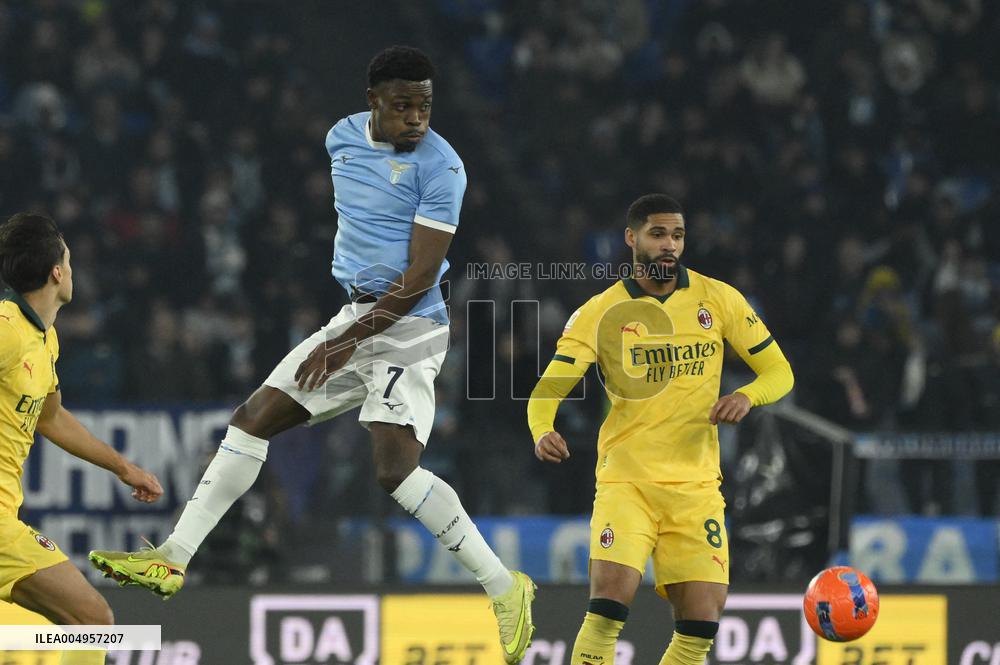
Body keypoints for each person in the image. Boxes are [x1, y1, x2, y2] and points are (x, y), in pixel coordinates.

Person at [89, 46, 536, 662]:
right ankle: (173, 558)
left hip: (410, 323)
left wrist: (347, 343)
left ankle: (504, 586)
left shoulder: (444, 168)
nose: (416, 119)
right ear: (371, 100)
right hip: (355, 314)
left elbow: (423, 272)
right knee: (252, 420)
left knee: (391, 470)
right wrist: (346, 327)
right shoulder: (340, 140)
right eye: (402, 105)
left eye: (425, 106)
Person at [527, 194, 794, 665]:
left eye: (677, 235)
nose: (669, 245)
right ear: (631, 239)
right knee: (609, 606)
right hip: (627, 481)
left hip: (696, 487)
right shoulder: (600, 312)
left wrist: (745, 396)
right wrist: (541, 428)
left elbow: (779, 372)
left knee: (699, 625)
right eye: (658, 234)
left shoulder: (719, 298)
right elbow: (547, 390)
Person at [0, 212, 164, 665]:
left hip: (6, 518)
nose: (73, 271)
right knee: (92, 622)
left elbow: (51, 418)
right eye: (69, 261)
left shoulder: (43, 339)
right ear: (57, 272)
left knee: (66, 630)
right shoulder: (7, 331)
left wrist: (123, 467)